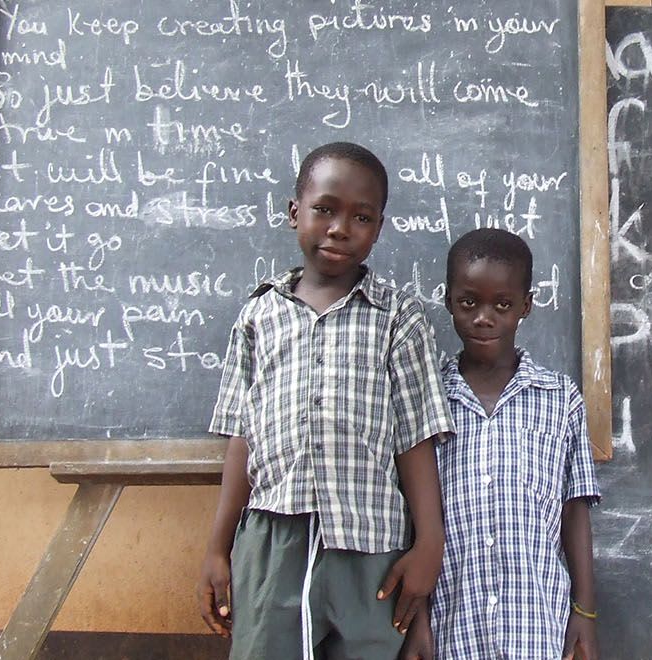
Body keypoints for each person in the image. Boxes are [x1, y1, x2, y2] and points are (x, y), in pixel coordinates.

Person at [197, 141, 454, 660]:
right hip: (272, 539)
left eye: (361, 217)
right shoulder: (259, 316)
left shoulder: (397, 318)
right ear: (295, 213)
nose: (340, 228)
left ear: (378, 228)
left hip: (371, 544)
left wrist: (429, 543)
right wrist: (216, 547)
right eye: (324, 209)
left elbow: (415, 439)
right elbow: (241, 439)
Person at [409, 227, 601, 659]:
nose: (483, 317)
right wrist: (417, 619)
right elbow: (409, 521)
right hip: (450, 623)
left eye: (502, 304)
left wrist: (585, 614)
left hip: (537, 624)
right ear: (447, 301)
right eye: (468, 302)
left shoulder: (559, 398)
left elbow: (575, 511)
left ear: (526, 306)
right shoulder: (425, 397)